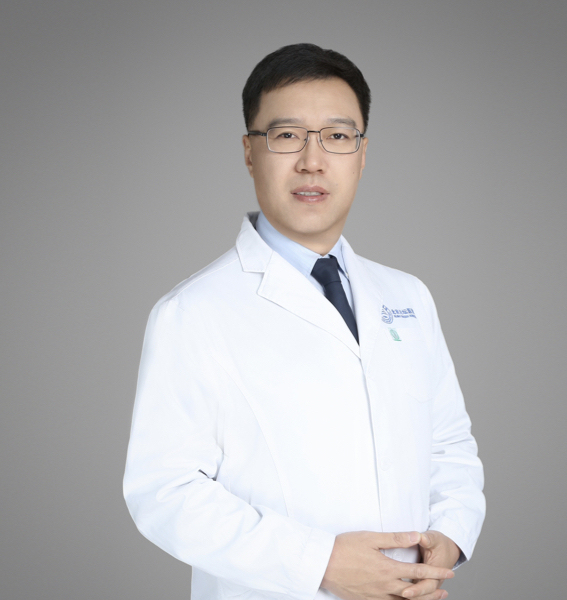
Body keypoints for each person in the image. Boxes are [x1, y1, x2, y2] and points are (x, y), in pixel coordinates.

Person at [123, 43, 485, 600]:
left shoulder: (407, 296)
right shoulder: (192, 313)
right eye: (287, 135)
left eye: (337, 136)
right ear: (250, 152)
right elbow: (164, 492)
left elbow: (448, 445)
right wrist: (319, 564)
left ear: (362, 154)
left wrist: (450, 537)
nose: (312, 161)